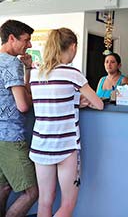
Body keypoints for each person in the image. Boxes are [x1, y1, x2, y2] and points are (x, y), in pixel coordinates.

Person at [29, 28, 104, 217]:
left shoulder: (37, 74)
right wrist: (81, 102)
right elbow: (99, 103)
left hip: (40, 145)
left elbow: (53, 99)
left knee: (45, 202)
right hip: (65, 145)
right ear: (73, 47)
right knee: (68, 204)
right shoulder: (72, 74)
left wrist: (75, 101)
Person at [0, 20, 38, 216]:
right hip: (10, 136)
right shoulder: (11, 62)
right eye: (26, 40)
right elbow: (22, 104)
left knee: (4, 187)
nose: (29, 45)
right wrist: (37, 99)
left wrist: (28, 69)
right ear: (11, 38)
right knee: (31, 192)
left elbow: (15, 94)